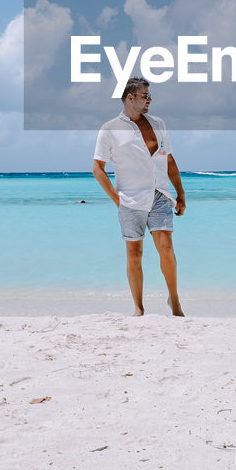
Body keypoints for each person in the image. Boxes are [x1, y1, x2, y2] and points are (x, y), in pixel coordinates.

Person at [92, 77, 186, 317]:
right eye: (145, 95)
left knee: (166, 248)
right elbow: (98, 168)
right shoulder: (109, 129)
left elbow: (169, 160)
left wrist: (181, 192)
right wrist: (116, 199)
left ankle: (174, 302)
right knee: (135, 254)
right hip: (130, 199)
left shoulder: (158, 123)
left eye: (149, 95)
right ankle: (138, 307)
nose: (149, 99)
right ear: (130, 97)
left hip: (160, 194)